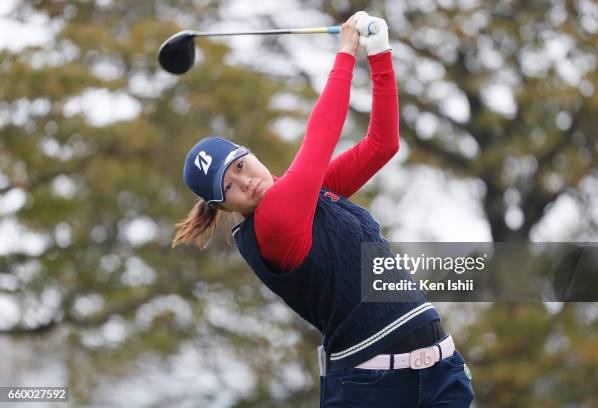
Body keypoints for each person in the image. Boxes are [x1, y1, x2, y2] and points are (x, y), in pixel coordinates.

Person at [173, 11, 474, 408]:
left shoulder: (311, 194)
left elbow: (382, 145)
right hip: (371, 390)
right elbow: (322, 134)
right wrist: (348, 52)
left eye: (241, 166)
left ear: (250, 154)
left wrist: (381, 54)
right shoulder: (274, 221)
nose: (245, 183)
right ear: (223, 206)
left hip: (438, 372)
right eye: (229, 188)